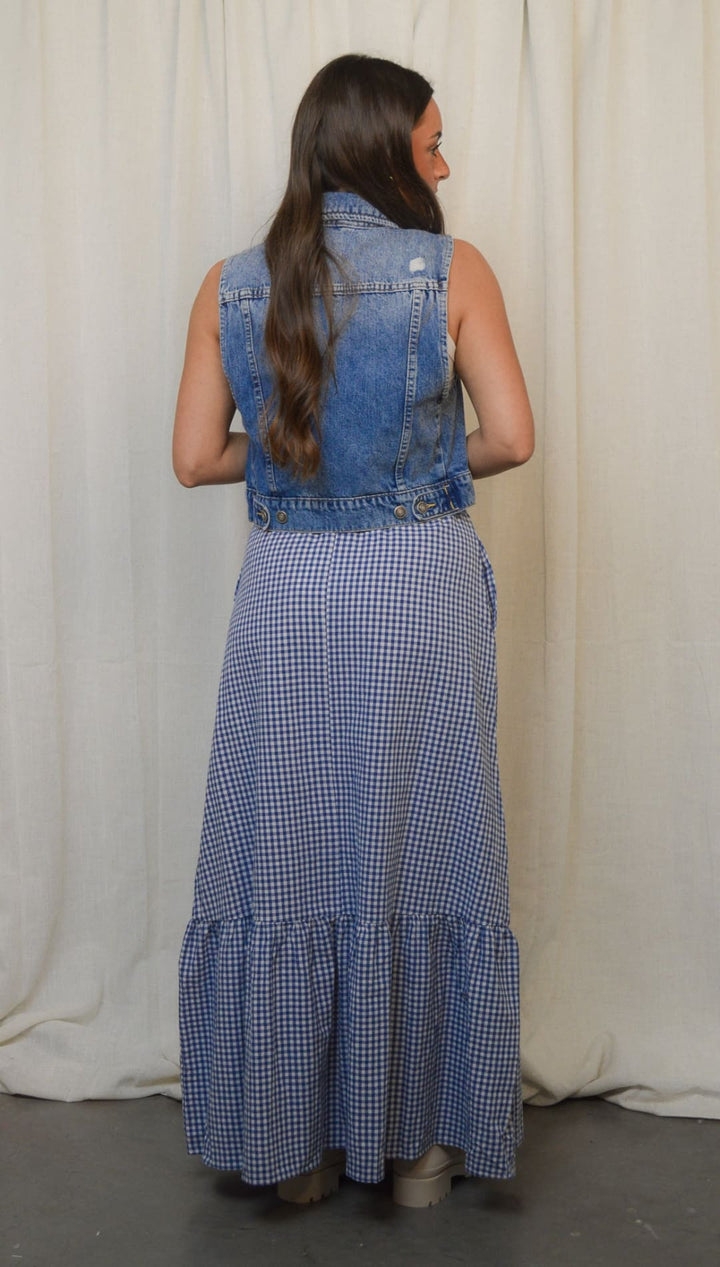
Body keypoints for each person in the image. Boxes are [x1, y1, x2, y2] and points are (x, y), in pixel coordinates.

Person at [172, 53, 534, 1209]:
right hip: (418, 581)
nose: (445, 161)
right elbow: (514, 438)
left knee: (287, 848)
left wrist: (302, 474)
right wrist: (414, 466)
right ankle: (422, 1143)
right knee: (426, 843)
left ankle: (298, 1149)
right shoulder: (452, 272)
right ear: (384, 152)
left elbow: (193, 458)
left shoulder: (232, 286)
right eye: (432, 144)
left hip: (290, 595)